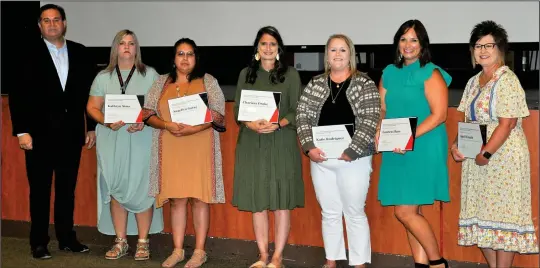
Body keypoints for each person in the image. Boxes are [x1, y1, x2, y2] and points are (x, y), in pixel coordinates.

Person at [8, 4, 97, 259]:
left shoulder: (80, 53)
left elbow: (89, 96)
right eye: (46, 20)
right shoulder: (26, 53)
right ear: (39, 26)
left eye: (56, 19)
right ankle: (38, 242)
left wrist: (91, 127)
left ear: (65, 23)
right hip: (38, 136)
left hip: (71, 135)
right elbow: (18, 96)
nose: (52, 24)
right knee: (40, 191)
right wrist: (22, 131)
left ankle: (67, 238)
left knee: (67, 190)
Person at [451, 20, 539, 267]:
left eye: (489, 45)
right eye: (478, 45)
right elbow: (468, 121)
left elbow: (508, 123)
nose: (483, 50)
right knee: (481, 220)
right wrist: (457, 146)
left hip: (502, 159)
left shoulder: (507, 80)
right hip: (477, 159)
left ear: (500, 49)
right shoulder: (473, 81)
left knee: (502, 220)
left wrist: (486, 153)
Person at [296, 34, 380, 268]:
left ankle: (359, 262)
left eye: (343, 50)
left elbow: (371, 118)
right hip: (321, 159)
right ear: (327, 55)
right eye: (333, 50)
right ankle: (331, 259)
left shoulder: (365, 83)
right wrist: (308, 147)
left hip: (354, 159)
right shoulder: (315, 83)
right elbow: (302, 116)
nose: (338, 54)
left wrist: (353, 150)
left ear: (351, 54)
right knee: (329, 212)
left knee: (354, 211)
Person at [142, 38, 226, 268]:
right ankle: (177, 250)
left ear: (196, 58)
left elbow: (218, 114)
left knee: (199, 199)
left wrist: (194, 128)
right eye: (181, 54)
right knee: (177, 200)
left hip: (200, 145)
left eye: (190, 54)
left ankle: (199, 252)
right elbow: (147, 113)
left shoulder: (208, 80)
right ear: (174, 58)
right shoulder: (161, 82)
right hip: (171, 146)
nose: (185, 58)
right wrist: (167, 125)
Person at [376, 19, 452, 268]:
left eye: (414, 40)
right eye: (403, 39)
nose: (408, 45)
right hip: (396, 148)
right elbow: (383, 108)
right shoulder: (389, 72)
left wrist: (408, 136)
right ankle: (421, 265)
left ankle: (438, 262)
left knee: (404, 211)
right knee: (411, 213)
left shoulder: (431, 72)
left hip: (423, 146)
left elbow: (440, 115)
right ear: (397, 43)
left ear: (422, 44)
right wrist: (379, 130)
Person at [86, 29, 164, 261]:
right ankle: (120, 241)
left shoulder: (150, 75)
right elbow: (92, 108)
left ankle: (142, 242)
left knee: (143, 188)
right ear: (115, 48)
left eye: (131, 43)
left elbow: (159, 107)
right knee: (116, 187)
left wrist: (144, 121)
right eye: (122, 43)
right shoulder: (103, 77)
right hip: (113, 138)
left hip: (141, 138)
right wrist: (106, 122)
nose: (127, 47)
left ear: (137, 48)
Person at [232, 26, 304, 268]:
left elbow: (298, 110)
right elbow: (237, 110)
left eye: (273, 44)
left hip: (280, 142)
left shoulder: (291, 75)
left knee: (281, 202)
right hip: (252, 144)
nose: (268, 48)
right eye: (264, 44)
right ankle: (263, 255)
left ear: (279, 49)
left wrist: (279, 123)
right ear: (257, 49)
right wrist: (250, 123)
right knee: (258, 201)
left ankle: (277, 258)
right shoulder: (246, 74)